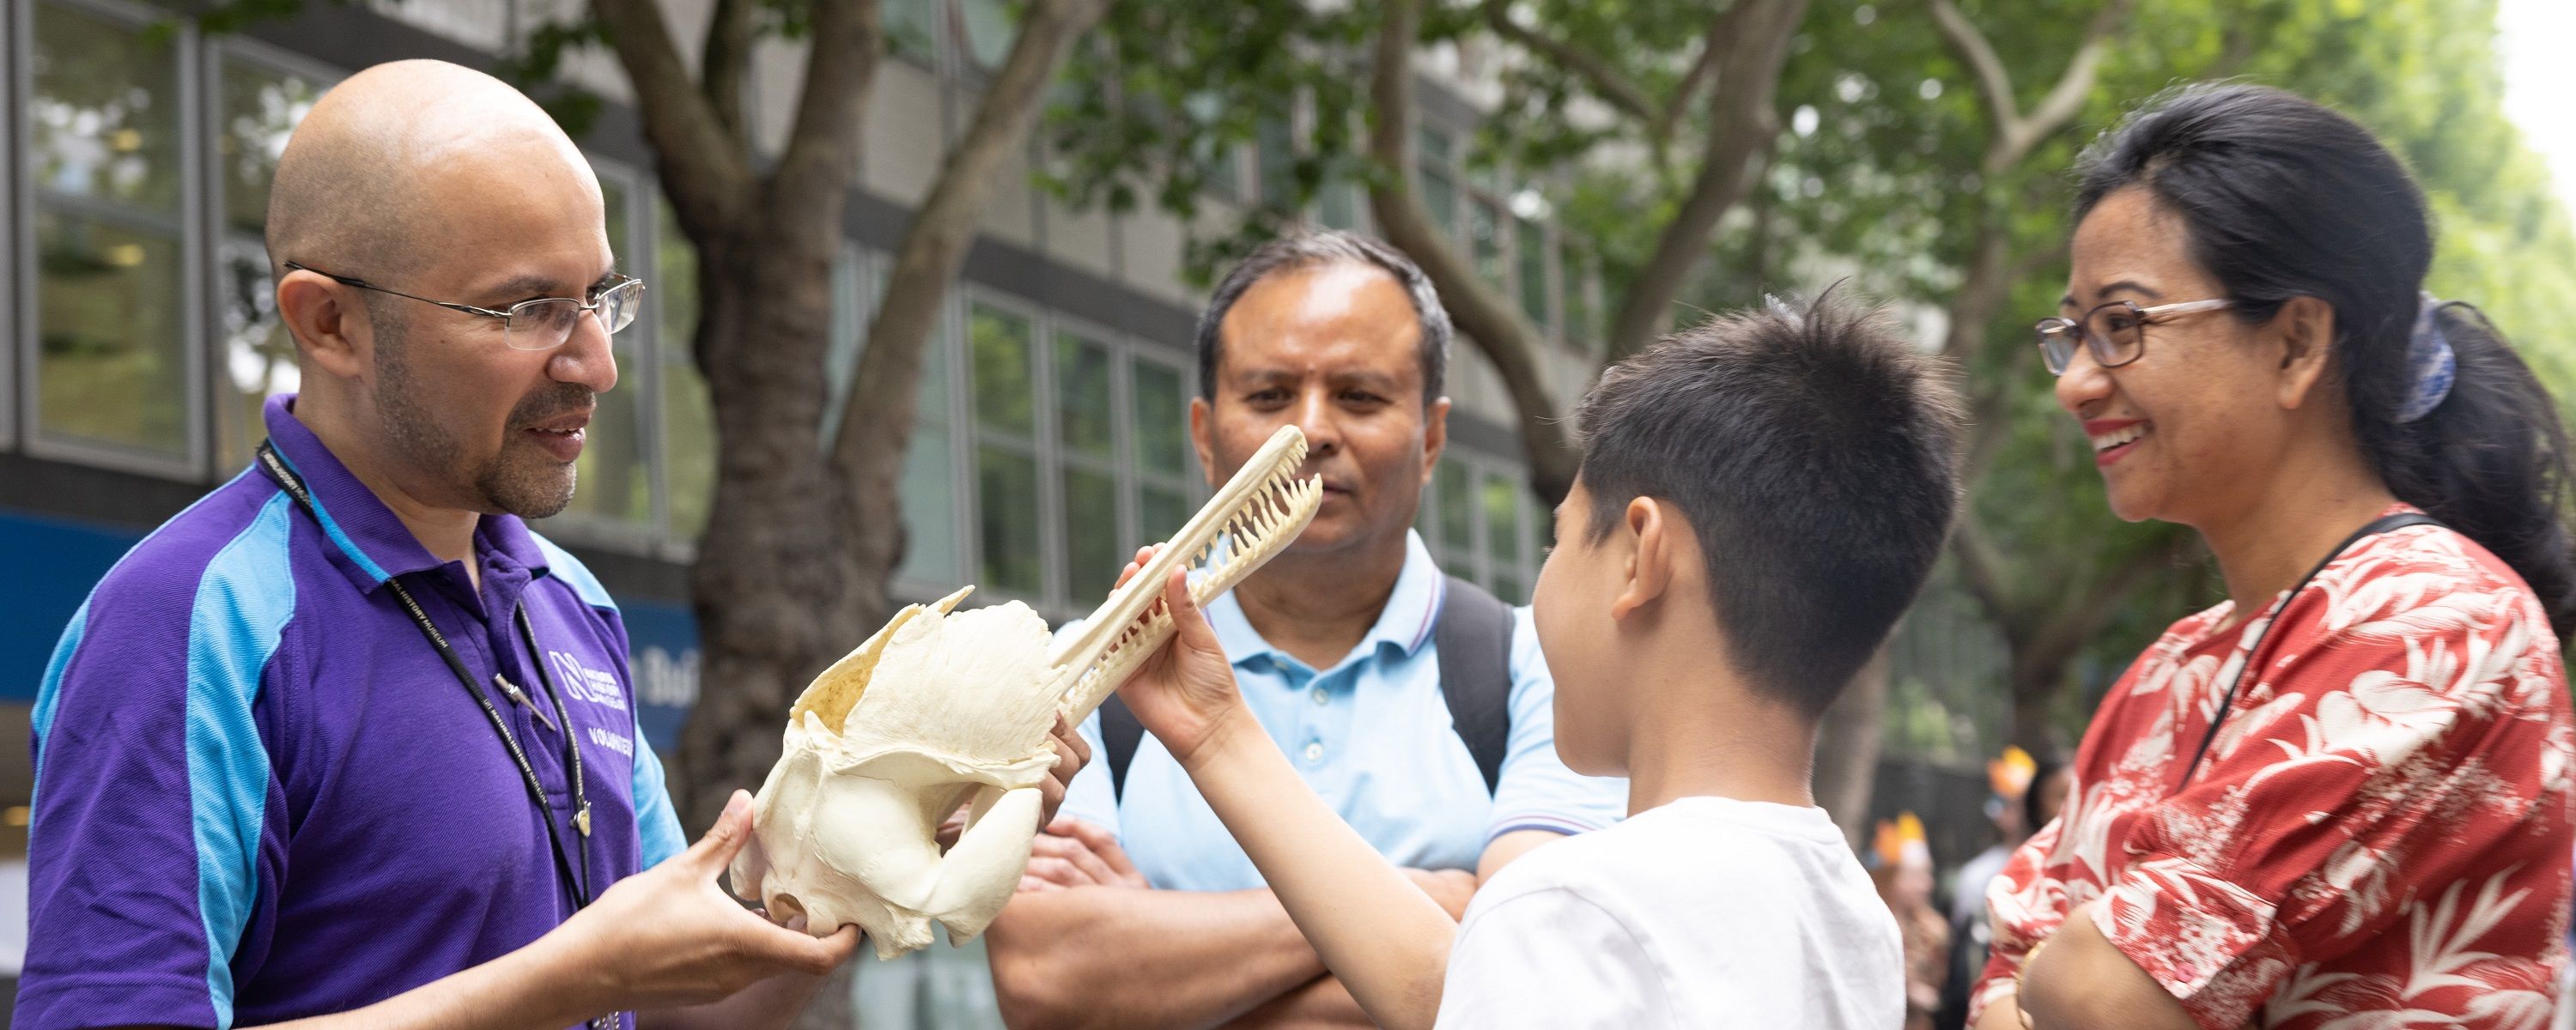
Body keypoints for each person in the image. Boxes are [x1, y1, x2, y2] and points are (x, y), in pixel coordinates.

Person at [17, 59, 1085, 1030]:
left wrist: (892, 832)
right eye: (525, 308)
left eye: (599, 300)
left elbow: (685, 1008)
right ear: (328, 323)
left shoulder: (569, 597)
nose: (595, 366)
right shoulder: (185, 622)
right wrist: (576, 978)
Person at [1106, 294, 1962, 1027]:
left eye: (1558, 542)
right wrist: (1218, 735)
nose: (1540, 588)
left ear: (1638, 557)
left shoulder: (1571, 907)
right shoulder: (1856, 914)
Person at [1971, 83, 2576, 1030]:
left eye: (2124, 326)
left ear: (2296, 342)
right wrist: (2061, 974)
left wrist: (2070, 967)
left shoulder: (2442, 620)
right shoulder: (2168, 671)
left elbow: (2095, 993)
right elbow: (2002, 982)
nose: (2079, 384)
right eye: (2074, 334)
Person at [982, 231, 1626, 1028]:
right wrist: (1443, 899)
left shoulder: (1550, 665)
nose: (1311, 433)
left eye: (1359, 396)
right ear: (1203, 435)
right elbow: (1045, 979)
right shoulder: (1090, 665)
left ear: (1431, 438)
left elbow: (1539, 981)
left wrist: (1165, 971)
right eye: (1268, 396)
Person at [1875, 813, 1950, 1030]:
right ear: (1891, 876)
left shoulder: (1935, 929)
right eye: (1916, 876)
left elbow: (1939, 987)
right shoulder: (1870, 921)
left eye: (1928, 874)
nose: (1926, 884)